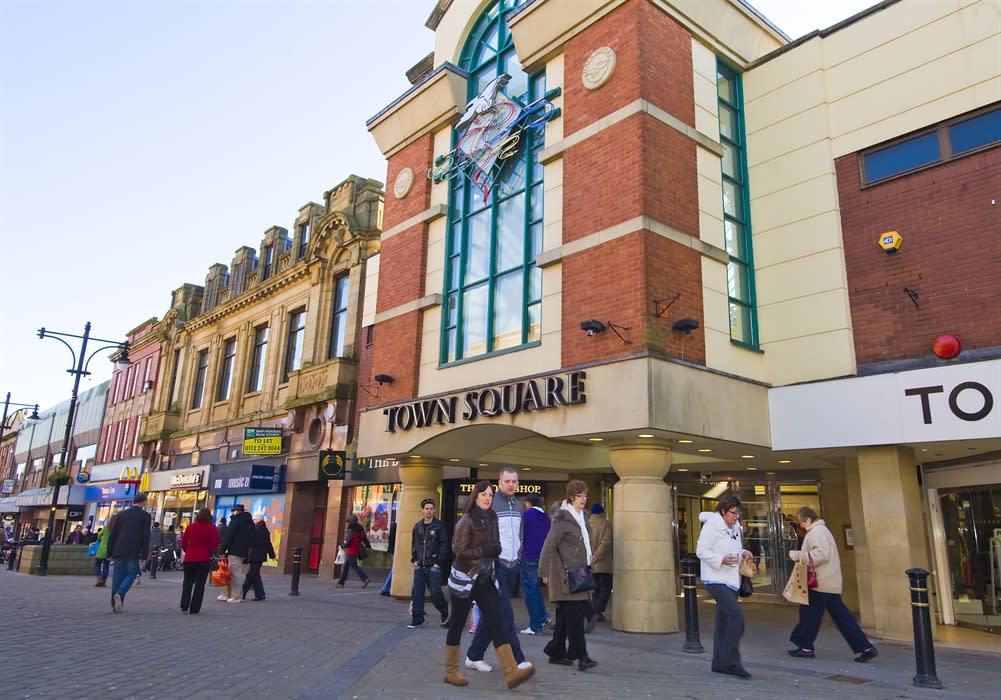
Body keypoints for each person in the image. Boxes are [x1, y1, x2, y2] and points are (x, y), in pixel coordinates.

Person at [443, 480, 534, 689]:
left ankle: (511, 672)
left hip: (485, 578)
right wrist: (485, 550)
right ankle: (451, 671)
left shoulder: (492, 516)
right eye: (483, 494)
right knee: (457, 624)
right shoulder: (466, 520)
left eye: (491, 495)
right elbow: (459, 550)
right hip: (466, 578)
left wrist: (496, 548)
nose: (487, 498)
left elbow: (497, 545)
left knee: (497, 620)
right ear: (475, 496)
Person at [788, 507, 879, 663]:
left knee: (809, 615)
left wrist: (798, 555)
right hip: (830, 583)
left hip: (819, 583)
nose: (801, 526)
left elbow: (821, 555)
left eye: (802, 523)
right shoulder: (823, 531)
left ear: (808, 520)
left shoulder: (817, 532)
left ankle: (805, 646)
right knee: (842, 618)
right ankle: (865, 647)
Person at [464, 468, 529, 674]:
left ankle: (474, 656)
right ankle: (517, 659)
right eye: (507, 481)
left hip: (512, 566)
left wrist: (518, 557)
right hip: (494, 566)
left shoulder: (518, 505)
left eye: (514, 481)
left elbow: (519, 535)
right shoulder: (491, 503)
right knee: (504, 613)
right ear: (499, 482)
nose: (511, 485)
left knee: (493, 614)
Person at [539, 480, 598, 671]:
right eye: (579, 495)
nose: (583, 499)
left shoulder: (583, 518)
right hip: (566, 577)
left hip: (581, 573)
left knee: (565, 616)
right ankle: (582, 656)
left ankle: (556, 650)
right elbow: (548, 547)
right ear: (571, 497)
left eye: (585, 495)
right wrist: (543, 572)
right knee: (575, 618)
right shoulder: (562, 520)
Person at [696, 494, 754, 680]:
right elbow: (701, 551)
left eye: (738, 513)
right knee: (736, 617)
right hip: (715, 579)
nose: (736, 516)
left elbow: (736, 548)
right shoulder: (712, 526)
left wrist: (744, 552)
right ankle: (731, 661)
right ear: (723, 511)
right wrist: (720, 560)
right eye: (733, 512)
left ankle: (719, 663)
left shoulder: (735, 526)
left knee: (723, 623)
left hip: (732, 579)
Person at [107, 492, 153, 613]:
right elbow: (145, 536)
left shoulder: (121, 514)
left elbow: (113, 534)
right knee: (132, 573)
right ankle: (120, 594)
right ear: (143, 502)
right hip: (134, 550)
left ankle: (115, 604)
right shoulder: (145, 516)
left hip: (119, 549)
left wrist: (109, 552)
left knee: (117, 577)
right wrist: (144, 555)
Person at [408, 497, 450, 628]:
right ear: (422, 510)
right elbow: (414, 544)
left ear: (434, 510)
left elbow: (444, 545)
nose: (429, 511)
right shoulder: (417, 526)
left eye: (431, 509)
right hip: (420, 565)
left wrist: (438, 562)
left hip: (434, 565)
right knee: (417, 593)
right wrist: (414, 559)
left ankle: (444, 611)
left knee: (436, 593)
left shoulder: (439, 526)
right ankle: (417, 618)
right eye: (427, 509)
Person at [519, 494, 551, 635]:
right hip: (543, 557)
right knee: (535, 589)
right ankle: (543, 616)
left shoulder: (526, 516)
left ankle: (535, 625)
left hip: (528, 556)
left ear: (527, 503)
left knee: (529, 591)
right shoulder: (547, 518)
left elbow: (521, 535)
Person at [180, 507, 220, 614]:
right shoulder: (212, 528)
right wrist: (209, 551)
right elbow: (215, 543)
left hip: (190, 558)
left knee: (187, 581)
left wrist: (187, 550)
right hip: (204, 559)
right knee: (200, 584)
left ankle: (184, 604)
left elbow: (183, 542)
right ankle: (195, 608)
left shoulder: (191, 527)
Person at [219, 504, 254, 603]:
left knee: (235, 574)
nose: (232, 513)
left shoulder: (236, 521)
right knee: (230, 572)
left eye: (233, 511)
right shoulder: (249, 522)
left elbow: (228, 536)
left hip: (234, 550)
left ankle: (236, 596)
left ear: (237, 511)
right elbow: (252, 536)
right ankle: (226, 594)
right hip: (243, 551)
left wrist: (222, 550)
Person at [588, 503, 613, 624]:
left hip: (590, 562)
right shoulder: (606, 524)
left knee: (595, 588)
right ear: (601, 512)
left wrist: (590, 558)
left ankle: (595, 611)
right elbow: (606, 542)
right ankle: (597, 610)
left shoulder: (586, 523)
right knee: (607, 585)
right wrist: (597, 557)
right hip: (602, 562)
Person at [242, 519, 276, 601]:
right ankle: (242, 593)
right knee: (251, 574)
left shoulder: (255, 529)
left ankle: (260, 594)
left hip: (254, 555)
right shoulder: (265, 530)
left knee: (254, 575)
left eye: (254, 519)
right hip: (261, 556)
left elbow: (250, 542)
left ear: (257, 520)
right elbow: (268, 543)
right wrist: (272, 555)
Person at [337, 515, 372, 588]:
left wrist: (343, 546)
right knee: (346, 566)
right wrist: (368, 546)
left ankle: (365, 578)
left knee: (354, 566)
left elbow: (349, 541)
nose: (348, 523)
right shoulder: (360, 528)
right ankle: (341, 583)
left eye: (348, 522)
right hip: (357, 548)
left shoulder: (350, 529)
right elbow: (364, 538)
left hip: (351, 550)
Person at [93, 518, 113, 587]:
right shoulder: (117, 530)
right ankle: (104, 582)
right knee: (106, 566)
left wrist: (100, 539)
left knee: (97, 564)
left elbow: (99, 536)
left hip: (101, 549)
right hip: (110, 550)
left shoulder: (105, 528)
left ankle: (99, 578)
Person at [381, 520, 397, 596]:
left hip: (392, 550)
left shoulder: (393, 525)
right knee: (394, 569)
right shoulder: (396, 526)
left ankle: (386, 588)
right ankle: (385, 588)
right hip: (395, 551)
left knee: (394, 569)